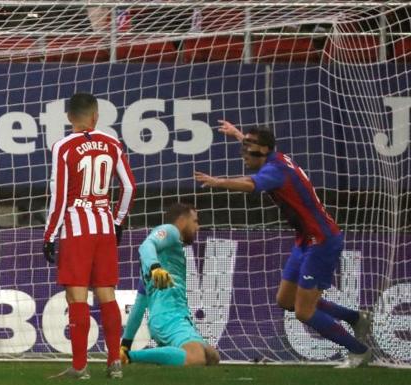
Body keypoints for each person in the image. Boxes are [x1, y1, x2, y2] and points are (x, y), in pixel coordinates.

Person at [194, 120, 372, 368]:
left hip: (321, 241)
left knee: (303, 312)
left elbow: (250, 184)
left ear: (264, 150)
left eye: (248, 149)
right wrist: (237, 134)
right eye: (244, 147)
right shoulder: (274, 156)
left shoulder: (275, 172)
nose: (244, 154)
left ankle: (359, 350)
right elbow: (257, 148)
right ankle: (356, 318)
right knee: (286, 300)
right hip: (305, 240)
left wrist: (218, 182)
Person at [43, 92, 136, 379]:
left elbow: (59, 197)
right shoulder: (112, 143)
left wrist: (49, 235)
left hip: (76, 229)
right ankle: (114, 363)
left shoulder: (63, 146)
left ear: (69, 117)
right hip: (105, 227)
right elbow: (130, 187)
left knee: (77, 296)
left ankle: (80, 366)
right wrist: (118, 220)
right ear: (96, 116)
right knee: (107, 294)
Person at [119, 203, 220, 367]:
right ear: (182, 219)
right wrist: (155, 267)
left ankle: (136, 354)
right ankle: (131, 357)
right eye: (195, 221)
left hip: (171, 317)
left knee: (212, 356)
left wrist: (125, 344)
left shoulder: (158, 263)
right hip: (169, 317)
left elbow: (139, 305)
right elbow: (146, 245)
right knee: (196, 358)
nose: (198, 227)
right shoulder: (171, 231)